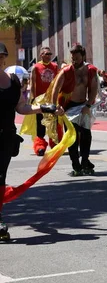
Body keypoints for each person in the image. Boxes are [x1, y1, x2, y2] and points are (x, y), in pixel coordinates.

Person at [0, 42, 63, 241]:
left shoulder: (12, 81)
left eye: (1, 56)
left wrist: (46, 108)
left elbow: (22, 108)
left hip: (6, 137)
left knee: (0, 178)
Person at [51, 44, 99, 177]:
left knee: (86, 134)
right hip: (69, 106)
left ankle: (85, 161)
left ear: (83, 56)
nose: (74, 61)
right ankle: (75, 164)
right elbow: (55, 89)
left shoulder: (90, 70)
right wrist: (56, 106)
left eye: (76, 58)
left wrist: (88, 105)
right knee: (72, 136)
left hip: (84, 105)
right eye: (72, 58)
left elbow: (93, 89)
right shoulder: (66, 71)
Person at [30, 47, 59, 156]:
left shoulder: (55, 67)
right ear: (41, 55)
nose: (48, 56)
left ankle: (55, 144)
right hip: (40, 100)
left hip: (52, 98)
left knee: (53, 123)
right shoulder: (36, 67)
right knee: (40, 124)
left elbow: (58, 82)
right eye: (46, 54)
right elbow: (32, 83)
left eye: (50, 54)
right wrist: (33, 98)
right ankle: (40, 146)